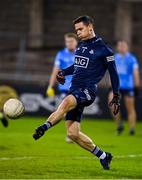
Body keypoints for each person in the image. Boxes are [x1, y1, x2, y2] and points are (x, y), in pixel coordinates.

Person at [33, 15, 120, 170]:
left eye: (80, 29)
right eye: (76, 30)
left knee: (65, 102)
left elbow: (114, 74)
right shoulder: (81, 46)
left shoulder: (104, 50)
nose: (78, 32)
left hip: (88, 91)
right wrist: (63, 72)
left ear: (90, 27)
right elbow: (77, 66)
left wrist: (116, 95)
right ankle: (103, 156)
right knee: (73, 133)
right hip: (75, 89)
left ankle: (44, 127)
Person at [46, 33, 78, 142]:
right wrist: (50, 86)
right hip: (65, 86)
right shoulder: (61, 54)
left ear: (76, 42)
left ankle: (73, 134)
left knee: (73, 111)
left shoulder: (80, 53)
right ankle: (71, 134)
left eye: (71, 41)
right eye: (67, 41)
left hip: (78, 86)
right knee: (67, 110)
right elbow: (55, 70)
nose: (69, 43)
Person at [108, 40, 140, 135]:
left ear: (127, 47)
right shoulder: (115, 58)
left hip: (128, 86)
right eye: (120, 46)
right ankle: (119, 125)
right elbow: (112, 72)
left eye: (123, 46)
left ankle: (132, 129)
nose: (121, 47)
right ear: (118, 47)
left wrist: (137, 86)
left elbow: (135, 72)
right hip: (117, 87)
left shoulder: (132, 59)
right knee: (112, 105)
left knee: (130, 108)